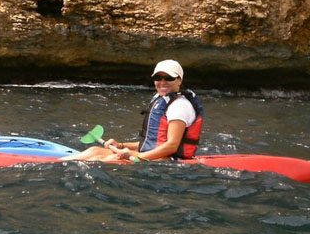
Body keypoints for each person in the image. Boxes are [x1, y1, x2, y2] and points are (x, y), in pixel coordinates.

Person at [62, 59, 204, 162]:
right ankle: (53, 161)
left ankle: (53, 164)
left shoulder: (179, 106)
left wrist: (139, 156)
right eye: (158, 77)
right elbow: (152, 141)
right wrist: (122, 145)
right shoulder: (163, 100)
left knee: (99, 158)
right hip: (154, 155)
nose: (162, 82)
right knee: (94, 151)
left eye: (168, 78)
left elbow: (172, 146)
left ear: (179, 81)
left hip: (168, 160)